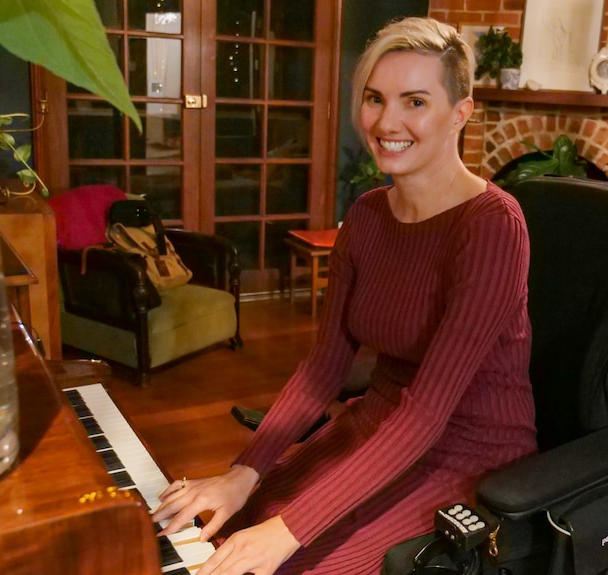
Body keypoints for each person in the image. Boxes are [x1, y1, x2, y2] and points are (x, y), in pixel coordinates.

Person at [152, 16, 537, 575]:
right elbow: (323, 367)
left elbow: (428, 413)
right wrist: (246, 470)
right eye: (375, 99)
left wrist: (288, 531)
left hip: (470, 449)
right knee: (222, 528)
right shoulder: (366, 216)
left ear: (461, 113)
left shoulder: (493, 225)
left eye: (415, 101)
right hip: (380, 423)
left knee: (289, 560)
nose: (387, 121)